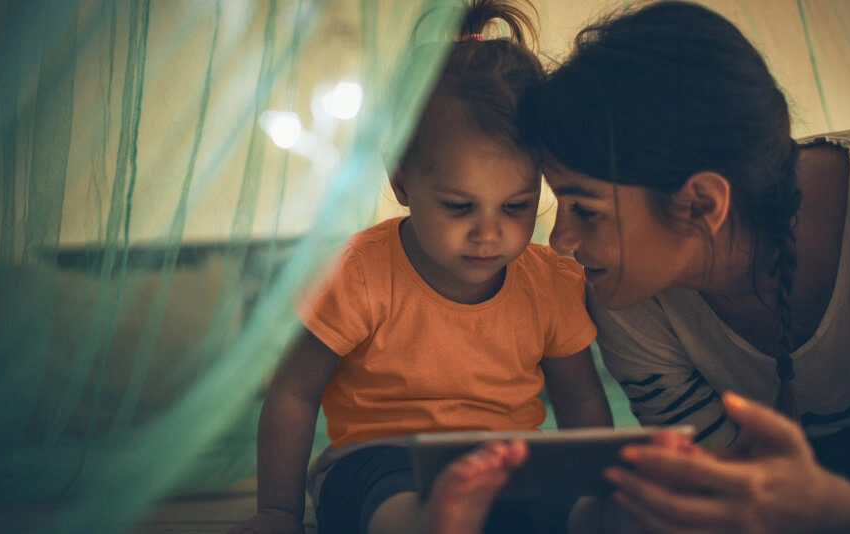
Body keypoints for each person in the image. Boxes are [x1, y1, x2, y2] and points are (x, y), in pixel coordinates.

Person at [519, 1, 850, 532]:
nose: (560, 242)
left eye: (586, 210)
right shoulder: (626, 291)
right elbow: (723, 500)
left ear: (703, 204)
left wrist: (825, 506)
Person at [230, 1, 613, 533]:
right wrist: (277, 511)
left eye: (517, 206)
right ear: (403, 181)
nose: (489, 233)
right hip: (383, 460)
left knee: (559, 502)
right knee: (386, 494)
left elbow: (580, 396)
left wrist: (594, 486)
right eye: (460, 207)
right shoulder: (359, 273)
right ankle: (431, 520)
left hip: (507, 463)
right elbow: (294, 392)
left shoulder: (548, 282)